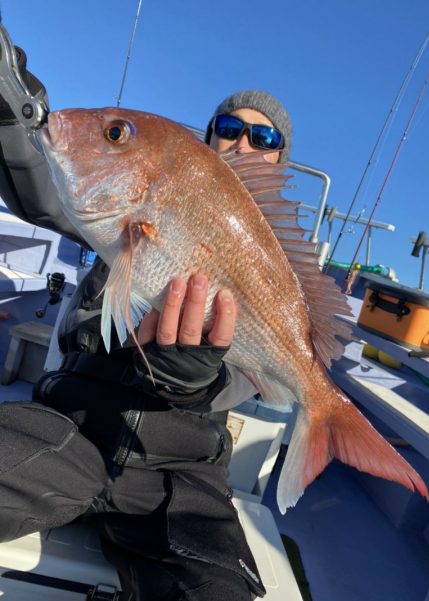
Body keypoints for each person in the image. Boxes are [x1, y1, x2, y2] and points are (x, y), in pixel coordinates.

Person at [0, 43, 293, 601]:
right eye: (230, 126)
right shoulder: (128, 201)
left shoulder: (277, 265)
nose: (243, 142)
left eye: (265, 138)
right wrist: (15, 107)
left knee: (214, 591)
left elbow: (251, 369)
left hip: (180, 462)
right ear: (206, 139)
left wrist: (194, 377)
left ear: (280, 158)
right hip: (79, 425)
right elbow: (43, 185)